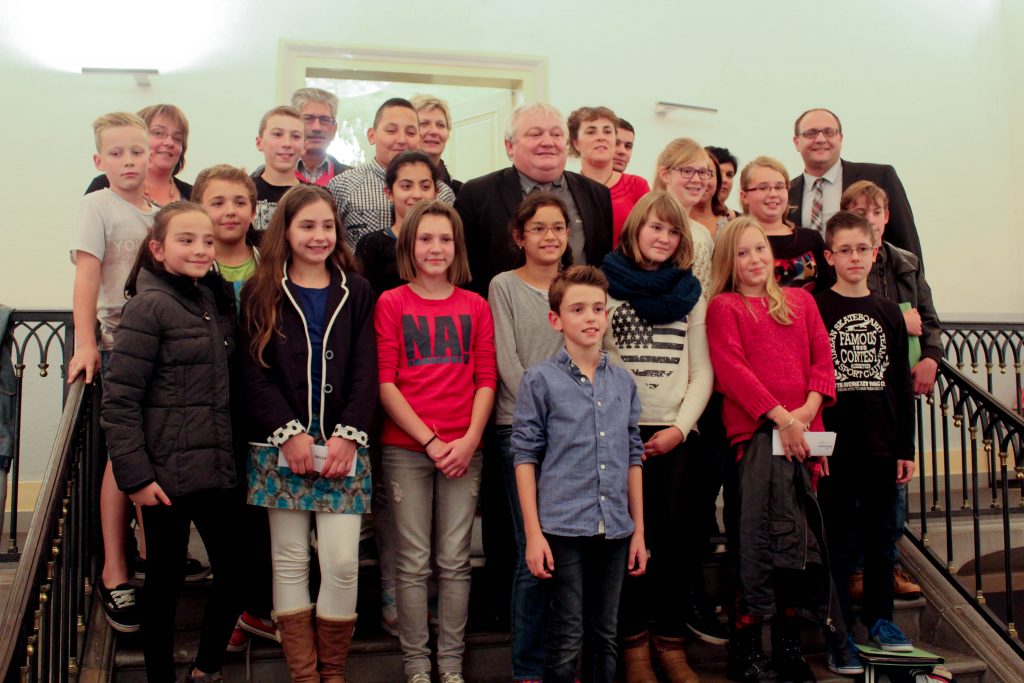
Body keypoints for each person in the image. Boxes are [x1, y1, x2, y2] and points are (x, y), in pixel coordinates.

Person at [706, 217, 861, 681]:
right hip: (757, 440)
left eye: (759, 250)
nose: (754, 260)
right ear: (728, 262)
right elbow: (732, 372)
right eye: (743, 253)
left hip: (801, 439)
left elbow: (821, 362)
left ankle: (790, 644)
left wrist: (807, 420)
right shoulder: (724, 307)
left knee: (799, 547)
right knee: (757, 542)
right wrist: (782, 418)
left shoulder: (801, 302)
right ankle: (748, 646)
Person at [239, 185, 378, 682]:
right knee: (290, 559)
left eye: (327, 226)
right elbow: (253, 371)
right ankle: (304, 674)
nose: (319, 236)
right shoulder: (261, 288)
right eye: (307, 226)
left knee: (341, 561)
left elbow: (367, 368)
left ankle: (333, 670)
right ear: (286, 231)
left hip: (345, 444)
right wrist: (289, 434)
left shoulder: (356, 290)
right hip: (282, 447)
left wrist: (348, 435)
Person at [101, 201, 243, 683]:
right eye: (186, 240)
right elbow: (120, 402)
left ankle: (206, 668)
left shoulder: (211, 301)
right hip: (163, 478)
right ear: (158, 250)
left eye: (207, 241)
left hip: (218, 469)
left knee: (236, 570)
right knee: (162, 585)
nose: (201, 248)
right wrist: (136, 478)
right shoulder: (148, 306)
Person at [374, 201, 496, 683]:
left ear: (457, 247)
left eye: (444, 239)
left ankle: (450, 663)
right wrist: (429, 440)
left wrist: (468, 440)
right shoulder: (392, 303)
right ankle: (417, 663)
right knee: (412, 561)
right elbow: (386, 383)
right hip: (407, 450)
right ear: (409, 245)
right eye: (426, 238)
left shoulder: (476, 305)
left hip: (465, 448)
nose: (435, 248)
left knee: (455, 560)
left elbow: (486, 380)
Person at [600, 192, 716, 683]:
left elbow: (701, 372)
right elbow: (595, 361)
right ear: (634, 230)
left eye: (673, 231)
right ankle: (633, 649)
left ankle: (670, 645)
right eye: (655, 228)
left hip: (674, 436)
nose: (664, 237)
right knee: (626, 545)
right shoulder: (603, 288)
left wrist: (679, 428)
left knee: (673, 545)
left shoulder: (692, 294)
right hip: (618, 436)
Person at [512, 265, 647, 683]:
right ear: (556, 320)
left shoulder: (623, 382)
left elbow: (633, 457)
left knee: (605, 634)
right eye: (578, 309)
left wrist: (638, 531)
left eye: (597, 309)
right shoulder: (540, 380)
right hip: (563, 527)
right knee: (567, 635)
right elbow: (524, 458)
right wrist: (534, 535)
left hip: (616, 531)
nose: (590, 317)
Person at [68, 112, 159, 634]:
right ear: (99, 161)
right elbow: (87, 277)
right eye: (117, 153)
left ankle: (150, 548)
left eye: (137, 152)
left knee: (156, 446)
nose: (129, 161)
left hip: (163, 345)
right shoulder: (96, 206)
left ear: (151, 157)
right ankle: (115, 568)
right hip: (120, 343)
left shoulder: (163, 211)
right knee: (124, 452)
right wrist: (85, 345)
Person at [815, 211, 916, 655]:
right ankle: (840, 629)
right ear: (829, 256)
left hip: (880, 443)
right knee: (836, 541)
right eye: (845, 250)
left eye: (862, 249)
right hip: (835, 446)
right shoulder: (817, 307)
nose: (854, 257)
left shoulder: (889, 310)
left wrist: (905, 448)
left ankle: (880, 620)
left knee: (880, 541)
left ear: (875, 253)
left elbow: (900, 384)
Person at [488, 192, 572, 682]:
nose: (550, 236)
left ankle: (562, 665)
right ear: (519, 237)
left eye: (558, 227)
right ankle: (527, 670)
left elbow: (596, 349)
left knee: (570, 555)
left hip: (578, 436)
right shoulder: (504, 286)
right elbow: (508, 363)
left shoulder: (579, 285)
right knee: (532, 553)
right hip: (521, 430)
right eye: (538, 228)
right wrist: (554, 412)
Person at [841, 180, 934, 602]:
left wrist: (930, 357)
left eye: (874, 212)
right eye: (858, 212)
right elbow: (855, 311)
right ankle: (856, 570)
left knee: (893, 490)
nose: (868, 220)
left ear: (886, 218)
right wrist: (900, 318)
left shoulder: (907, 263)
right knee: (853, 495)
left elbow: (929, 319)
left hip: (895, 389)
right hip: (855, 389)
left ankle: (888, 564)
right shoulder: (841, 262)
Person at [456, 102, 613, 296]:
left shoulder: (596, 194)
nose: (548, 142)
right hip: (504, 317)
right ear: (509, 145)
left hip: (578, 317)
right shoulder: (477, 194)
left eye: (556, 134)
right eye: (535, 134)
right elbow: (464, 271)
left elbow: (601, 266)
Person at [788, 108, 923, 260]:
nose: (820, 139)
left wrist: (915, 281)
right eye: (811, 133)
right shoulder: (786, 194)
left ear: (840, 138)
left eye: (829, 132)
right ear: (797, 142)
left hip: (871, 281)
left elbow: (907, 245)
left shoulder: (880, 177)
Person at [329, 98, 456, 252]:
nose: (401, 140)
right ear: (372, 135)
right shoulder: (343, 185)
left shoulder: (442, 193)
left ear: (418, 138)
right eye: (391, 131)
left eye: (410, 132)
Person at [739, 156, 833, 292]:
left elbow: (828, 289)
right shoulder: (735, 240)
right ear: (744, 196)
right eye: (763, 187)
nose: (773, 194)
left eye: (779, 187)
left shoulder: (811, 239)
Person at [356, 150, 439, 296]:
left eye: (425, 187)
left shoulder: (447, 243)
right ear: (389, 193)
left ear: (436, 192)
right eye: (406, 186)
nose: (417, 195)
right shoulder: (371, 244)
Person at [567, 106, 650, 246]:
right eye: (591, 132)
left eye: (607, 131)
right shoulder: (566, 187)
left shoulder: (637, 186)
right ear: (576, 143)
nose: (601, 137)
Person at [86, 104, 193, 204]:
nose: (170, 142)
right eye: (158, 133)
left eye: (177, 138)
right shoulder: (103, 185)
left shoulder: (193, 194)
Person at [652, 138, 715, 294]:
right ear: (665, 175)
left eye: (702, 172)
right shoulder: (648, 226)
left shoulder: (703, 233)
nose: (696, 179)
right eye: (687, 171)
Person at [192, 165, 259, 305]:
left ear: (253, 213)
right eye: (218, 203)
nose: (230, 211)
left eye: (240, 203)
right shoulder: (190, 269)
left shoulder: (272, 265)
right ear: (198, 211)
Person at [251, 106, 305, 233]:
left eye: (296, 136)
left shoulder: (316, 196)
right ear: (259, 143)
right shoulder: (245, 193)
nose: (287, 143)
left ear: (304, 146)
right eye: (277, 134)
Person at [293, 87, 352, 185]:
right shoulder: (268, 177)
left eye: (324, 120)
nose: (317, 128)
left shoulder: (353, 179)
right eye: (308, 119)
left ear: (334, 129)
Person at [411, 94, 462, 193]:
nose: (434, 131)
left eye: (441, 125)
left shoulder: (462, 193)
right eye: (424, 124)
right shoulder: (388, 187)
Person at [690, 152, 732, 238]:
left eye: (708, 174)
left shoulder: (729, 222)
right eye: (699, 173)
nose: (702, 181)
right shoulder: (674, 219)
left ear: (718, 181)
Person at [707, 146, 739, 216]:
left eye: (729, 175)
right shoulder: (681, 219)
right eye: (718, 173)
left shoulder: (740, 223)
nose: (724, 180)